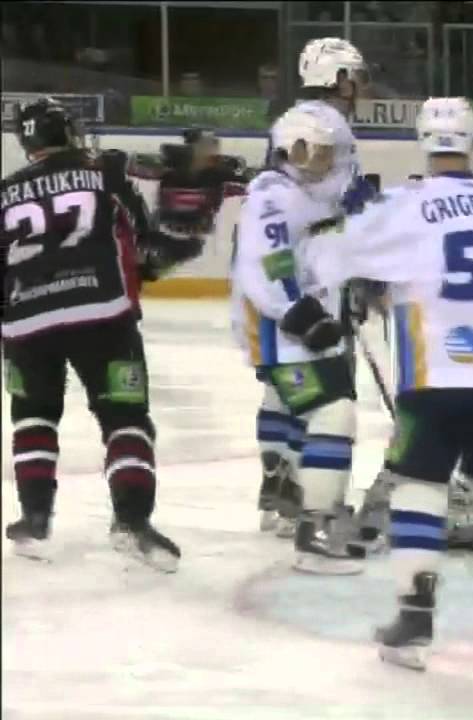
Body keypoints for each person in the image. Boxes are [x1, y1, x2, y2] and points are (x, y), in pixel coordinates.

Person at [296, 97, 473, 670]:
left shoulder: (406, 204)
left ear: (423, 143)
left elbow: (326, 259)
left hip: (439, 372)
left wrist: (354, 253)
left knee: (418, 485)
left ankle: (413, 617)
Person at [2, 98, 210, 570]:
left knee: (33, 416)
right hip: (101, 315)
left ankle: (34, 521)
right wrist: (187, 227)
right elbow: (151, 250)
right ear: (68, 132)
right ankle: (132, 522)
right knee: (125, 418)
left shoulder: (5, 192)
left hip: (25, 321)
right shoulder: (103, 174)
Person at [229, 106, 365, 575]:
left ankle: (285, 493)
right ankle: (317, 531)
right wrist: (301, 314)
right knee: (333, 411)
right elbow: (268, 262)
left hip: (285, 331)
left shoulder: (297, 193)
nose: (329, 161)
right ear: (294, 150)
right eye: (319, 152)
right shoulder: (276, 195)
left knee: (288, 404)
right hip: (284, 334)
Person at [251, 37, 377, 539]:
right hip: (311, 271)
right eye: (354, 76)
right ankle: (310, 499)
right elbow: (342, 200)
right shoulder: (328, 125)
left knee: (283, 381)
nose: (360, 86)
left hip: (282, 265)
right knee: (326, 393)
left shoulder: (294, 118)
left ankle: (278, 485)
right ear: (335, 78)